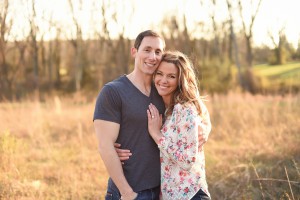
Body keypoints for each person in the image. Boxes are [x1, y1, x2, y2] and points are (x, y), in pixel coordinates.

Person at [93, 30, 166, 200]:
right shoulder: (113, 92)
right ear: (134, 52)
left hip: (162, 189)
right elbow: (105, 146)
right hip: (130, 192)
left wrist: (206, 127)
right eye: (147, 50)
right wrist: (127, 193)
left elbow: (193, 104)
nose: (153, 57)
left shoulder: (164, 90)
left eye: (158, 51)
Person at [146, 51, 212, 200]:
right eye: (159, 73)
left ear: (180, 80)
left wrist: (157, 135)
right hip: (172, 195)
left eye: (171, 76)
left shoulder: (184, 109)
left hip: (190, 194)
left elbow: (187, 160)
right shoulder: (168, 108)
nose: (163, 80)